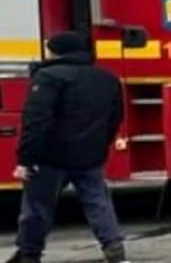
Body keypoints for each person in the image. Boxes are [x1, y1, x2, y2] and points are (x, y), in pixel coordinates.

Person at [6, 32, 127, 263]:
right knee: (98, 204)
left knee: (38, 208)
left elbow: (36, 120)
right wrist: (100, 145)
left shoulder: (47, 77)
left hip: (50, 158)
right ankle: (114, 249)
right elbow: (114, 117)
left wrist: (25, 159)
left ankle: (29, 254)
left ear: (56, 51)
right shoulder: (107, 78)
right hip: (89, 156)